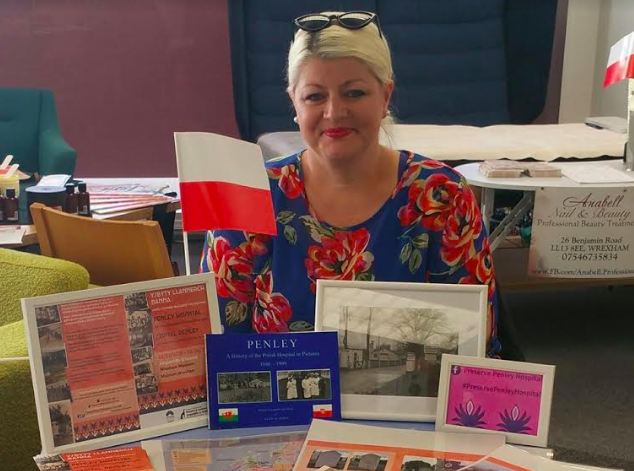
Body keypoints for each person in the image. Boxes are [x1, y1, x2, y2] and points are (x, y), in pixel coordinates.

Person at [200, 11, 499, 356]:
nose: (334, 112)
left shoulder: (443, 196)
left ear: (385, 96)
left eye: (354, 93)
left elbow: (476, 348)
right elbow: (219, 345)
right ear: (294, 102)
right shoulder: (249, 196)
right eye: (315, 97)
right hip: (272, 394)